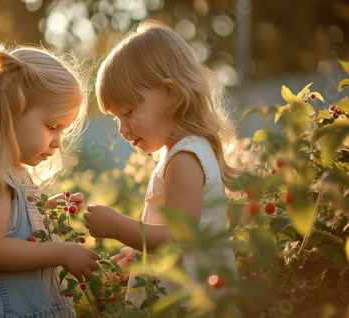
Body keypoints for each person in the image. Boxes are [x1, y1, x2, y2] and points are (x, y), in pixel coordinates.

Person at [83, 20, 242, 308]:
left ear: (170, 93)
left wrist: (118, 226)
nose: (122, 128)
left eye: (129, 111)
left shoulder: (184, 158)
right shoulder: (183, 152)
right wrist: (141, 255)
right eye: (116, 117)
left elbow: (179, 238)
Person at [0, 44, 100, 318]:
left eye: (63, 130)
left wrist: (46, 211)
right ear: (13, 110)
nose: (58, 141)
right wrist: (62, 252)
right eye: (52, 126)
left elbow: (14, 229)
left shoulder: (16, 174)